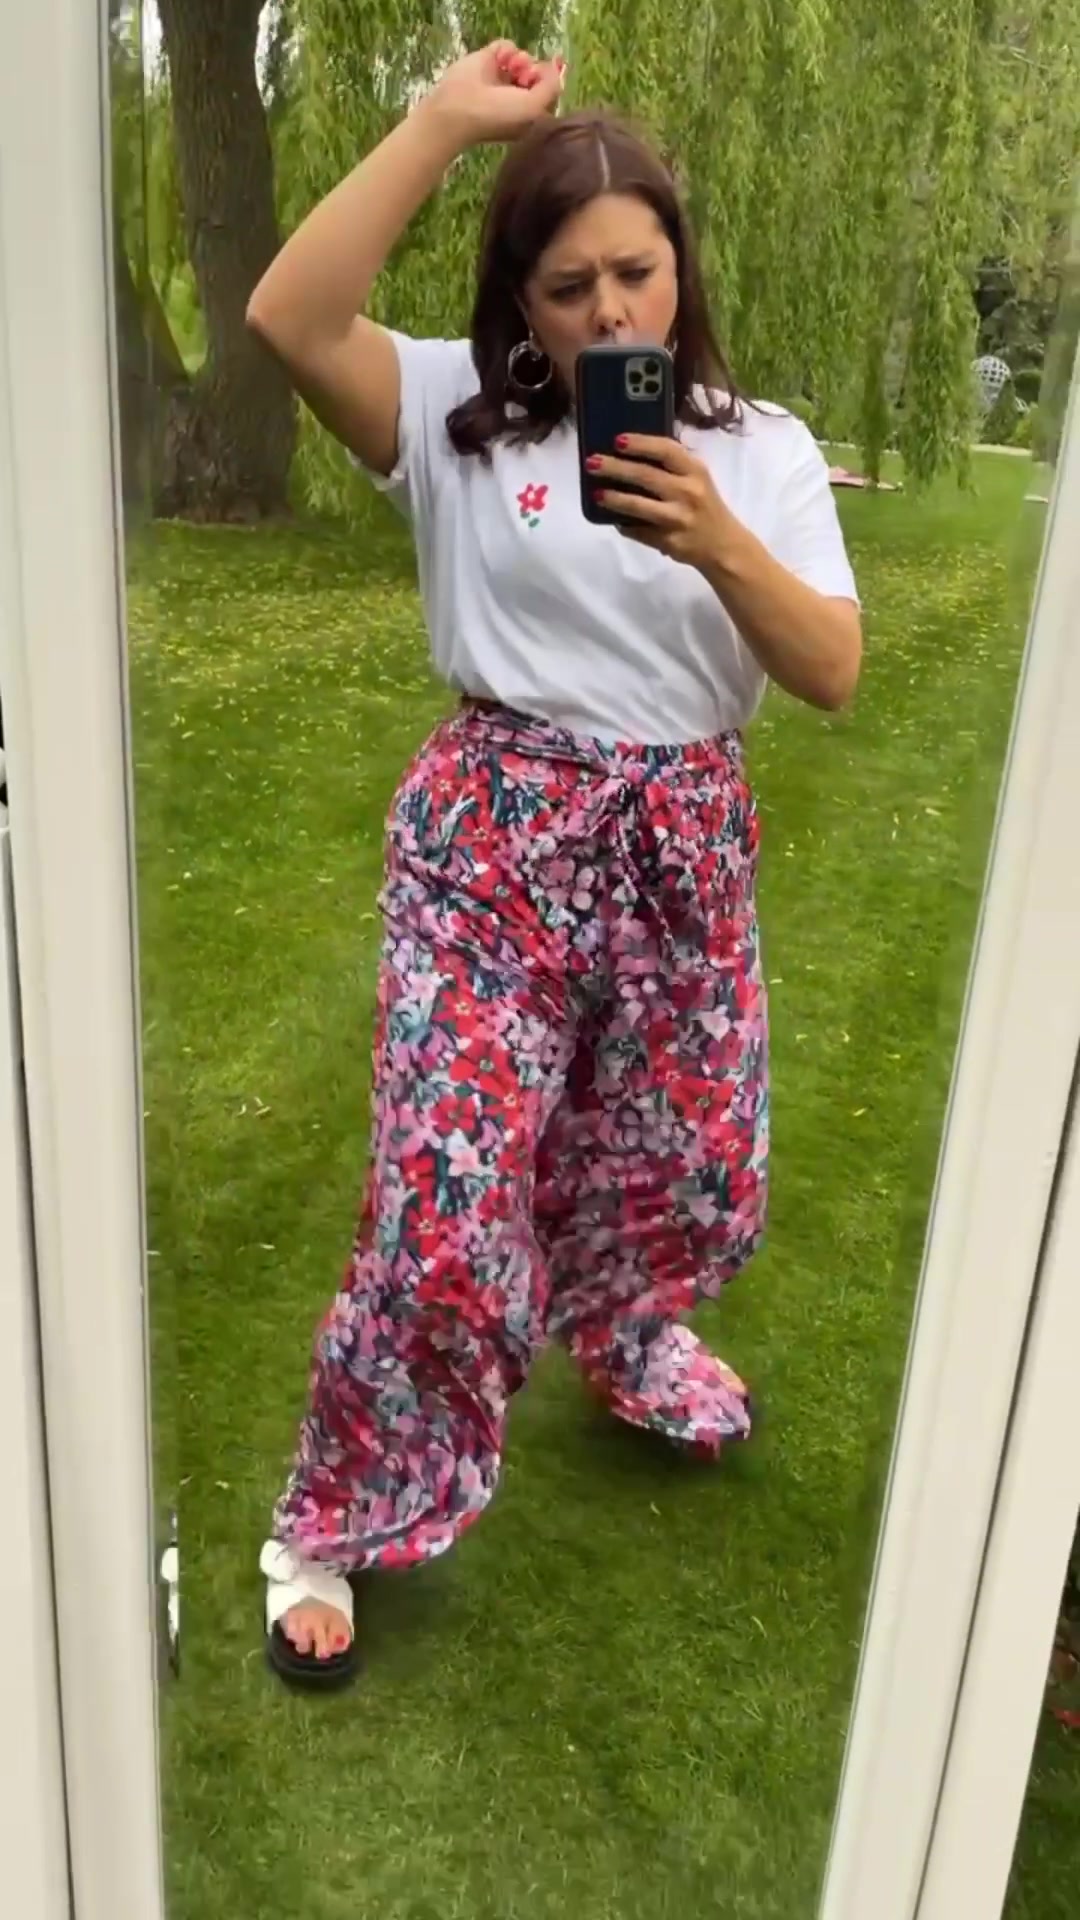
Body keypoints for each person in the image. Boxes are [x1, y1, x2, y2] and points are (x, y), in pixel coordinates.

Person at [246, 38, 862, 1689]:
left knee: (682, 1170)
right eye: (570, 285)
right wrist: (444, 122)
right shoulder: (452, 417)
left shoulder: (764, 451)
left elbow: (830, 669)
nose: (610, 313)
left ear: (680, 269)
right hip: (495, 845)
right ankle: (337, 1517)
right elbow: (289, 314)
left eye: (636, 273)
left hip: (680, 856)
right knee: (447, 1204)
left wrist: (713, 537)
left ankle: (625, 1330)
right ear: (522, 299)